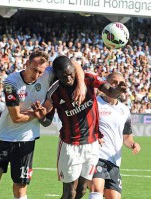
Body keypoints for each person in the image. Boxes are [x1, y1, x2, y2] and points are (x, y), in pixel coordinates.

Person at [0, 51, 86, 199]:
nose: (37, 75)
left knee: (20, 187)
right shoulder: (11, 83)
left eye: (40, 72)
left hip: (26, 139)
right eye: (34, 70)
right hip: (2, 137)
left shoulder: (48, 74)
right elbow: (16, 117)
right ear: (27, 64)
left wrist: (81, 85)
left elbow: (73, 64)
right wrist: (37, 115)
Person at [32, 56, 127, 199]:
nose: (69, 78)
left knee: (82, 190)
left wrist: (118, 91)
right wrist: (40, 117)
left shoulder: (88, 79)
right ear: (57, 75)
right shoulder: (54, 93)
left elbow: (110, 92)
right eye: (64, 76)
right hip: (70, 146)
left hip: (92, 145)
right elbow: (47, 122)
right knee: (69, 193)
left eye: (71, 73)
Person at [88, 72, 141, 199]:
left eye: (120, 83)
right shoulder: (94, 103)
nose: (116, 85)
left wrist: (133, 144)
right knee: (96, 190)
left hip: (114, 161)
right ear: (106, 82)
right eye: (114, 82)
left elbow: (126, 136)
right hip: (96, 156)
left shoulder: (124, 110)